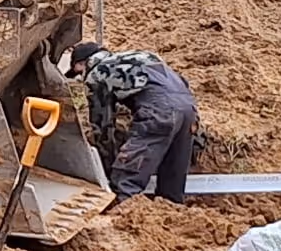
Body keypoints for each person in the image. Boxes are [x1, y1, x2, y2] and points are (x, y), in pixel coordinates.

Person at [69, 40, 198, 203]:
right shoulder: (139, 56)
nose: (81, 77)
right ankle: (172, 211)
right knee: (173, 171)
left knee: (127, 175)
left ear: (82, 63)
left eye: (78, 72)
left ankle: (123, 210)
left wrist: (107, 162)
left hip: (160, 110)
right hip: (188, 107)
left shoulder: (97, 72)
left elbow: (102, 126)